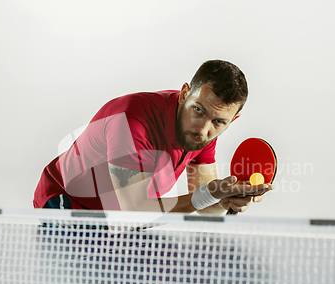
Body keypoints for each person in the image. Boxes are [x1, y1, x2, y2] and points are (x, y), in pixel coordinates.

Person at [33, 60, 273, 214]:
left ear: (232, 120)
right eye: (198, 110)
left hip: (114, 217)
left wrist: (227, 199)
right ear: (184, 94)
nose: (203, 129)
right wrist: (209, 195)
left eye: (219, 122)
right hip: (67, 204)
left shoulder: (205, 132)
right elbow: (133, 211)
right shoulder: (131, 122)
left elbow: (206, 206)